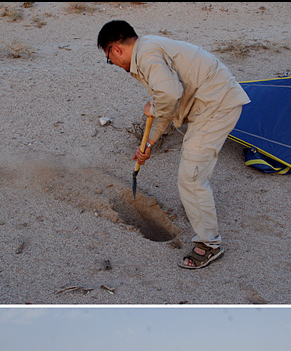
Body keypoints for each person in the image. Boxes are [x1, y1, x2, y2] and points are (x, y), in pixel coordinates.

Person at [97, 21, 251, 269]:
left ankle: (209, 245)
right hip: (209, 104)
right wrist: (149, 143)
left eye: (108, 59)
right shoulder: (146, 51)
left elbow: (168, 97)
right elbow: (165, 107)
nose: (113, 64)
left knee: (191, 177)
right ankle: (196, 204)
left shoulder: (146, 55)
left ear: (115, 49)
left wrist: (154, 107)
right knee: (192, 176)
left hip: (216, 105)